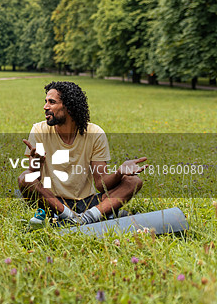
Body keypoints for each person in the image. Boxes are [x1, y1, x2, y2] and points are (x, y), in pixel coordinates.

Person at [18, 81, 146, 228]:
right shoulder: (39, 130)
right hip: (53, 201)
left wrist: (119, 173)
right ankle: (73, 216)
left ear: (69, 107)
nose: (45, 107)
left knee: (133, 181)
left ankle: (87, 217)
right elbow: (34, 178)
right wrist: (37, 163)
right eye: (46, 102)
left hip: (87, 202)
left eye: (52, 102)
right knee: (25, 178)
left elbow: (101, 183)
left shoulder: (95, 133)